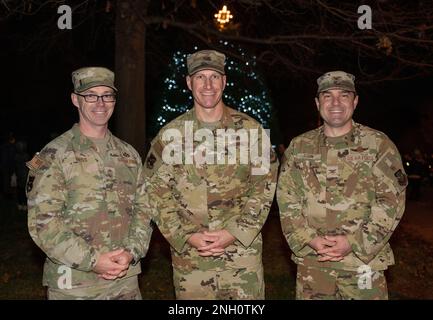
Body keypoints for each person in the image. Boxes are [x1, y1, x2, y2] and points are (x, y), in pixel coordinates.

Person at [142, 49, 278, 299]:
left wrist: (234, 232)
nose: (207, 85)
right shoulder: (171, 136)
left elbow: (265, 187)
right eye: (200, 77)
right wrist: (185, 236)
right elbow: (155, 192)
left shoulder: (251, 131)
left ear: (224, 81)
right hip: (191, 263)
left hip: (241, 257)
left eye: (214, 77)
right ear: (188, 82)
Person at [277, 70, 407, 300]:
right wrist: (309, 240)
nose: (335, 102)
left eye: (344, 95)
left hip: (363, 264)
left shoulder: (378, 145)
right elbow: (287, 200)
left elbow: (391, 201)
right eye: (327, 96)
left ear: (355, 101)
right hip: (313, 264)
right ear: (317, 103)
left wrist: (354, 242)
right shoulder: (299, 147)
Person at [26, 67, 152, 299]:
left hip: (125, 282)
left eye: (107, 95)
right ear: (76, 99)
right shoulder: (54, 154)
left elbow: (143, 210)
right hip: (75, 284)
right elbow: (44, 224)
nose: (100, 102)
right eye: (91, 95)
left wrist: (131, 252)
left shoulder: (128, 154)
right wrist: (93, 260)